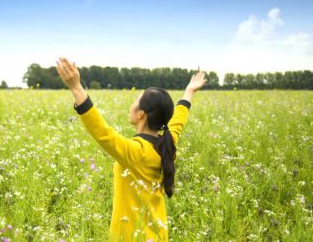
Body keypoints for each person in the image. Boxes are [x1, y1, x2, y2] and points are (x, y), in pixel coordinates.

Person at [56, 57, 206, 241]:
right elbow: (179, 118)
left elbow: (102, 133)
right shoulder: (168, 142)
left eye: (136, 100)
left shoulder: (135, 152)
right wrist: (189, 91)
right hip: (158, 235)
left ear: (141, 114)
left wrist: (76, 88)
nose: (131, 104)